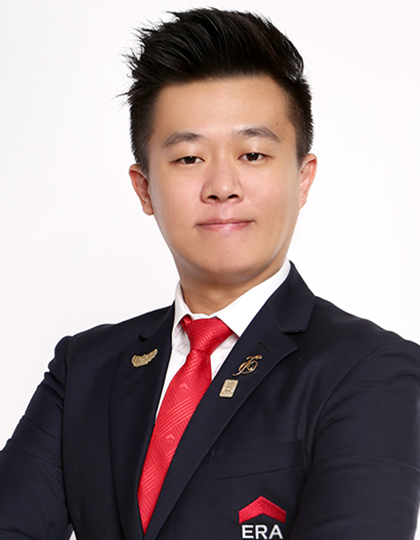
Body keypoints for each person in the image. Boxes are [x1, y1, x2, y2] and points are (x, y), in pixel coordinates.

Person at [1, 8, 419, 540]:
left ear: (302, 178)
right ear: (144, 188)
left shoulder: (370, 370)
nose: (222, 186)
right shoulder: (83, 370)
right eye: (189, 158)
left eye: (253, 154)